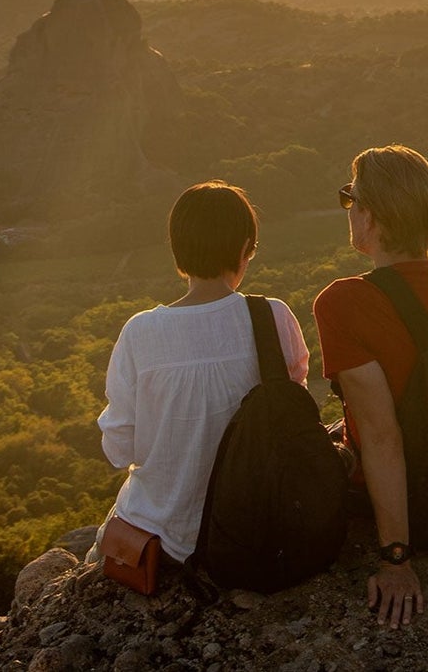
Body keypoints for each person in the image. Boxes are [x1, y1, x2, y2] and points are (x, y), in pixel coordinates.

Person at [313, 144, 428, 629]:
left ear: (371, 217)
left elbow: (381, 435)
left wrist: (395, 559)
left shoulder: (343, 302)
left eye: (350, 199)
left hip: (410, 501)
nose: (348, 210)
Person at [94, 181, 309, 567]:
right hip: (255, 529)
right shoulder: (273, 317)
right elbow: (292, 417)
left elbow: (119, 450)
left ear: (178, 250)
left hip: (160, 540)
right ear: (245, 249)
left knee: (96, 550)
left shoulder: (140, 332)